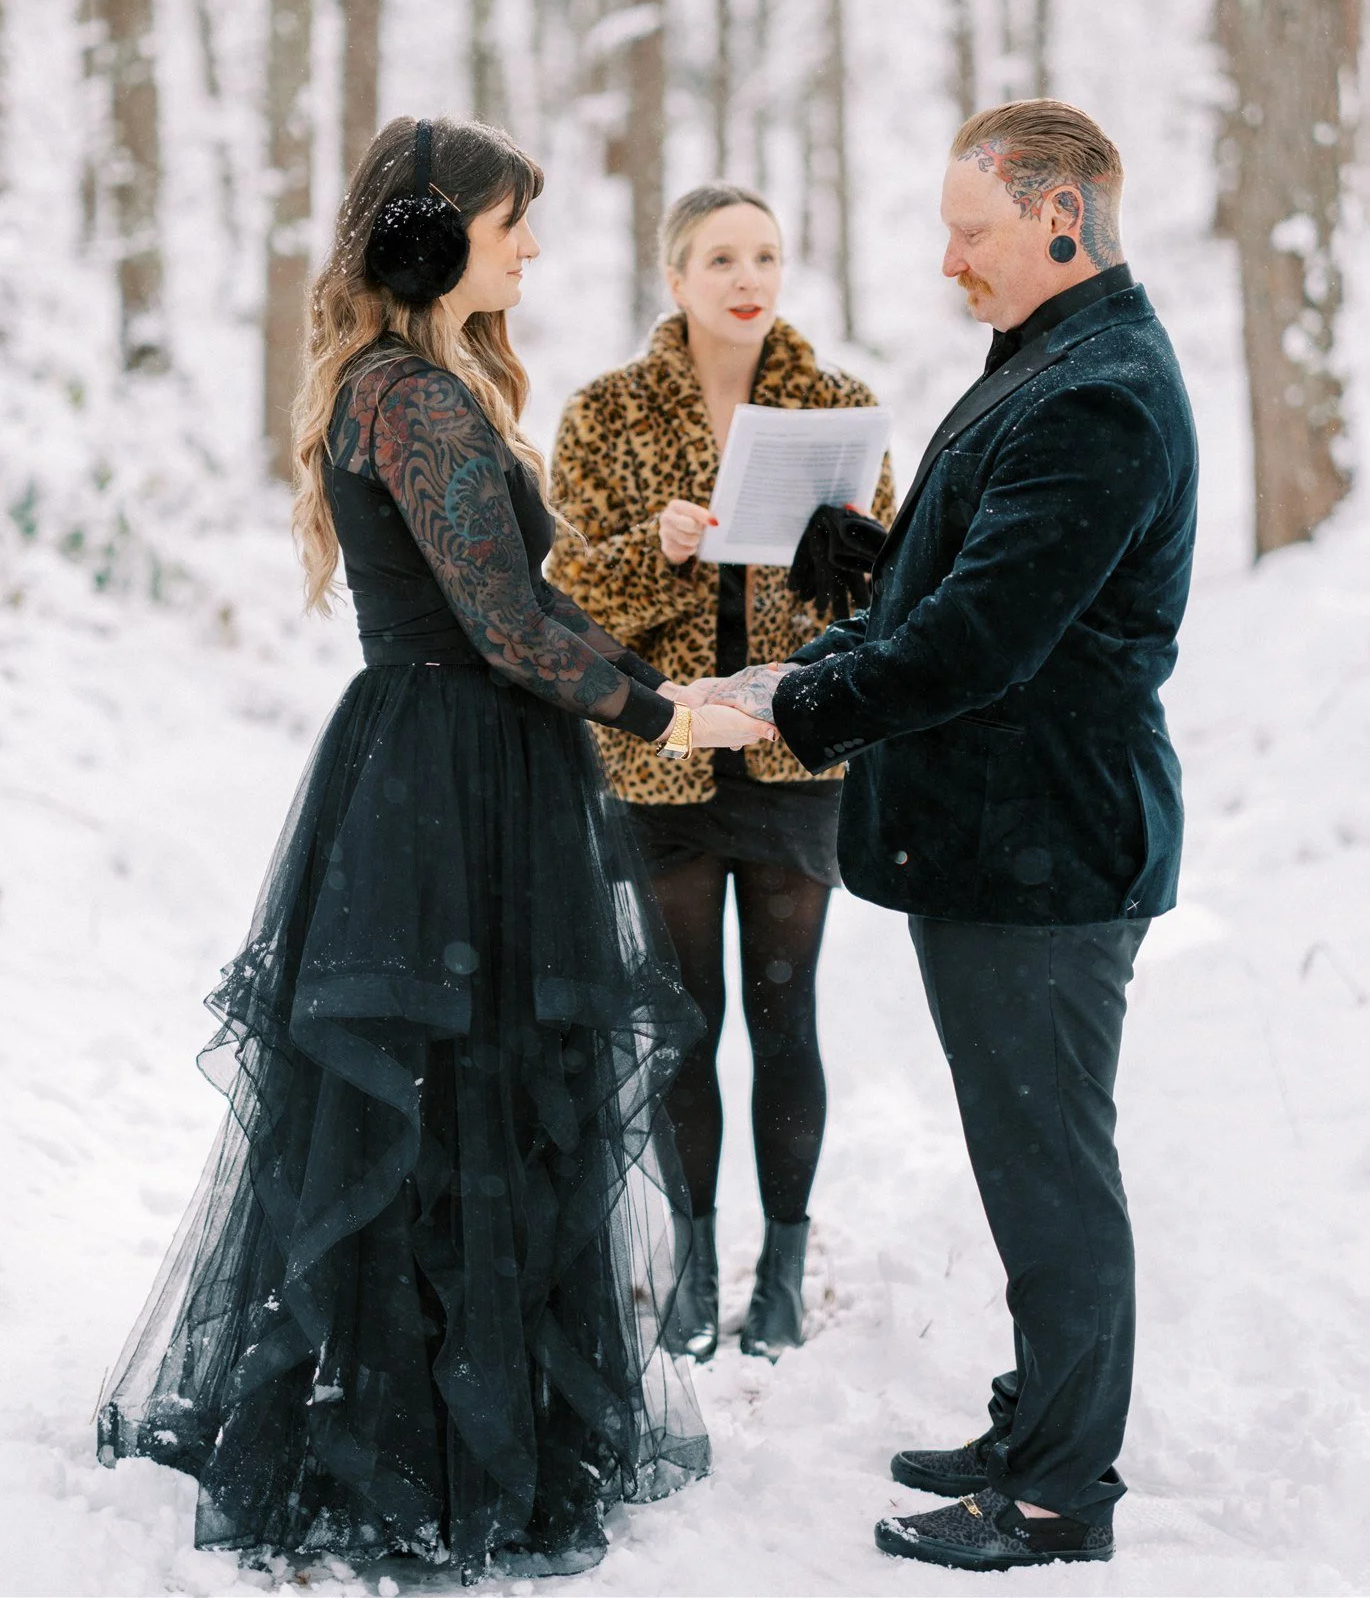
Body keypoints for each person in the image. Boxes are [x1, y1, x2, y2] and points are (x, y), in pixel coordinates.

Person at [95, 119, 775, 1579]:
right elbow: (504, 625)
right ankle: (411, 1443)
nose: (530, 249)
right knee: (444, 1097)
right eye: (511, 223)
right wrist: (668, 709)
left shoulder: (428, 386)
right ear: (435, 235)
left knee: (484, 1094)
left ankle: (459, 1413)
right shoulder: (402, 393)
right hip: (444, 775)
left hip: (475, 762)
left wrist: (671, 672)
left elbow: (522, 603)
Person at [703, 101, 1198, 1573]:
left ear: (1060, 217)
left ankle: (1056, 1495)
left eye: (968, 232)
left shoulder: (1100, 391)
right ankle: (1032, 1419)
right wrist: (865, 560)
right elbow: (980, 570)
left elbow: (986, 641)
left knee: (1051, 1172)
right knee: (1023, 1158)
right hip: (1000, 840)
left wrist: (790, 704)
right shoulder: (1051, 356)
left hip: (1045, 845)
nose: (947, 262)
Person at [547, 184, 895, 1363]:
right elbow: (565, 596)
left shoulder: (838, 406)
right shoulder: (604, 413)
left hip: (796, 753)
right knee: (683, 1023)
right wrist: (660, 544)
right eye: (721, 257)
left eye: (768, 255)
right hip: (662, 757)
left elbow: (884, 598)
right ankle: (692, 1270)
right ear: (675, 275)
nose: (749, 277)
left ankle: (784, 1271)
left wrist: (844, 551)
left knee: (784, 1011)